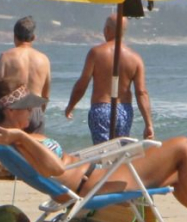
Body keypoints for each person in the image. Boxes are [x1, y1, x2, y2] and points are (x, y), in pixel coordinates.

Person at [0, 78, 187, 222]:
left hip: (95, 180)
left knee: (176, 170)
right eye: (26, 109)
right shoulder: (16, 138)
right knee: (183, 147)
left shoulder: (10, 136)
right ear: (12, 110)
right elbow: (52, 168)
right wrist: (23, 137)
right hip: (94, 186)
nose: (32, 113)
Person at [65, 13, 154, 143]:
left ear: (107, 30)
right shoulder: (135, 58)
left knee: (103, 154)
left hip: (101, 109)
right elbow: (141, 93)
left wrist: (71, 106)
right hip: (124, 110)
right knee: (119, 154)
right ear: (124, 32)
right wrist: (148, 124)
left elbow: (82, 84)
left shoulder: (96, 53)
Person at [0, 16, 51, 133]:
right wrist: (38, 113)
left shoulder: (6, 56)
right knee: (33, 149)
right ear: (34, 37)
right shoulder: (44, 59)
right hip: (35, 108)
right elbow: (46, 95)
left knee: (10, 150)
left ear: (14, 36)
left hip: (14, 111)